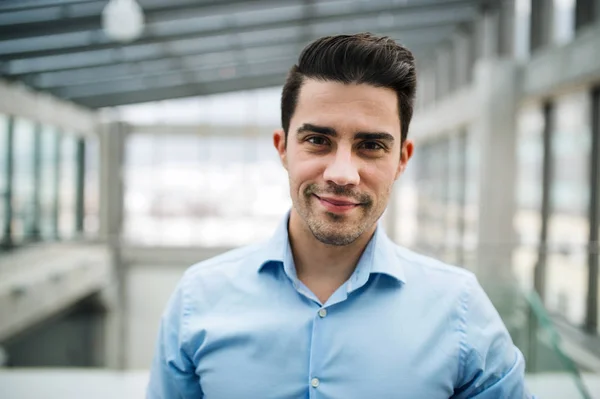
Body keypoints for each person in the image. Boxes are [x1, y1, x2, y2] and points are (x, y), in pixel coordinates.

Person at [147, 33, 533, 398]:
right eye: (317, 141)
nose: (342, 174)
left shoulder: (459, 308)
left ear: (402, 159)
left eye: (370, 145)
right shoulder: (198, 297)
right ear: (283, 149)